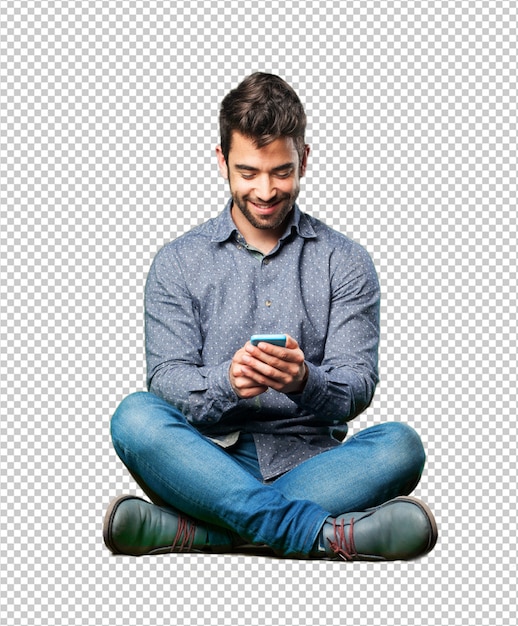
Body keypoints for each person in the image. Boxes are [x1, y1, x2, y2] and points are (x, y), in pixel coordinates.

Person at [103, 72, 437, 561]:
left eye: (281, 171)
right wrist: (228, 382)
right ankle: (321, 534)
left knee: (401, 446)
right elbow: (167, 382)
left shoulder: (345, 261)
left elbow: (357, 385)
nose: (265, 190)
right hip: (204, 460)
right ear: (221, 162)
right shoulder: (177, 261)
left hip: (314, 466)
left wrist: (304, 380)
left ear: (303, 159)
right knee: (134, 416)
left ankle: (207, 530)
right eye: (248, 172)